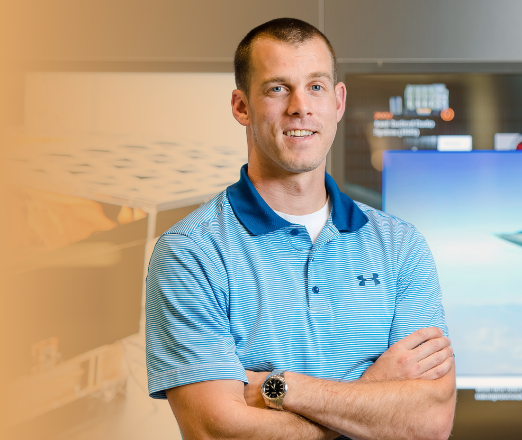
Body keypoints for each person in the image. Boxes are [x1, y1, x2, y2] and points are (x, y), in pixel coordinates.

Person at [145, 18, 456, 440]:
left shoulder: (401, 246)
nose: (300, 107)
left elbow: (429, 423)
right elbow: (215, 431)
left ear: (338, 102)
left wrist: (280, 389)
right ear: (241, 106)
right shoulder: (191, 253)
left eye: (316, 86)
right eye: (277, 88)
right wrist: (375, 394)